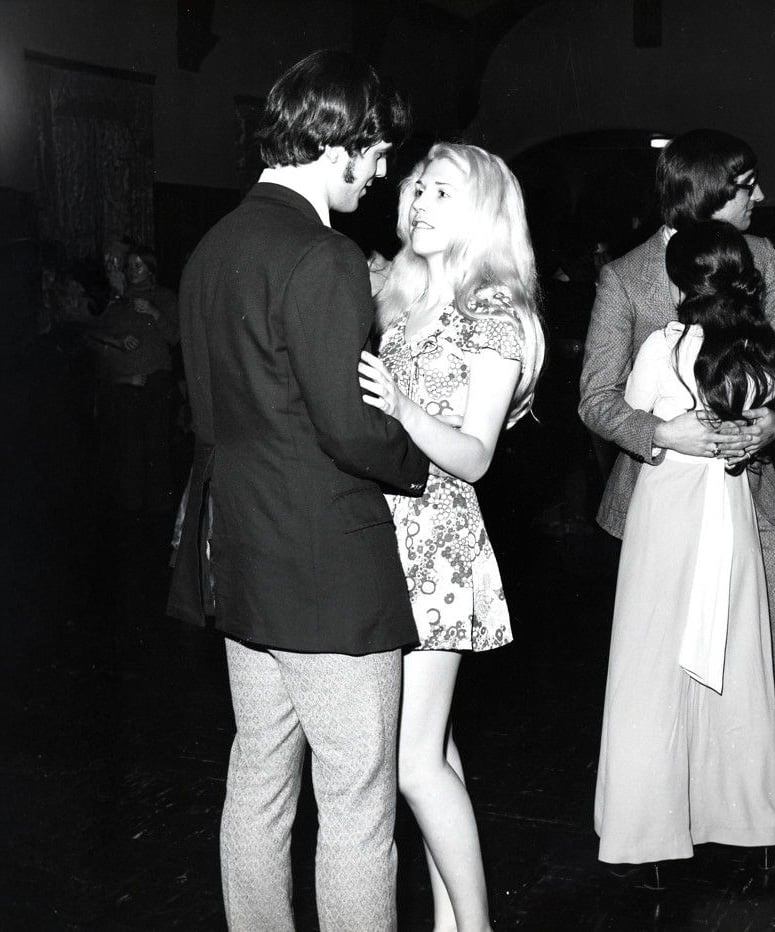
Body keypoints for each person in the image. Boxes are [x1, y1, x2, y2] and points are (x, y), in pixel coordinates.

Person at [166, 50, 428, 931]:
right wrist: (418, 458)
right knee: (358, 808)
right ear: (340, 139)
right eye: (379, 150)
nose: (384, 169)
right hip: (326, 569)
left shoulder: (214, 245)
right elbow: (350, 428)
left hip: (239, 556)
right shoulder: (321, 256)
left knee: (259, 782)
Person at [579, 129, 775, 846]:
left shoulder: (760, 259)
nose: (758, 195)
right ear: (707, 193)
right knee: (663, 664)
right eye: (746, 183)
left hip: (749, 488)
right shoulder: (628, 276)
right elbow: (596, 397)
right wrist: (664, 433)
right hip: (661, 500)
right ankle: (667, 814)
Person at [357, 142, 545, 931]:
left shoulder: (495, 314)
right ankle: (446, 918)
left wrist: (402, 408)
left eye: (445, 193)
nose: (423, 203)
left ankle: (475, 925)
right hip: (386, 537)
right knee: (433, 750)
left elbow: (475, 454)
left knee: (410, 763)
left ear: (482, 213)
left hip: (439, 544)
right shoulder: (403, 293)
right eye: (420, 188)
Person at [595, 221, 775, 863]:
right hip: (730, 513)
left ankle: (646, 833)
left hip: (666, 511)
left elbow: (628, 406)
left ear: (680, 281)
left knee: (649, 665)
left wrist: (668, 427)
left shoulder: (664, 347)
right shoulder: (771, 356)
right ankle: (741, 826)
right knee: (737, 664)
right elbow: (772, 412)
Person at [89, 246, 179, 514]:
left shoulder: (163, 297)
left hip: (156, 381)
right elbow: (96, 335)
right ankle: (132, 513)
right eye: (129, 266)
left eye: (138, 266)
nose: (132, 271)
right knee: (129, 450)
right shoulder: (118, 302)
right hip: (126, 383)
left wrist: (154, 313)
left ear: (150, 269)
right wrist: (117, 341)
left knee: (156, 447)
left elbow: (175, 336)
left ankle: (160, 510)